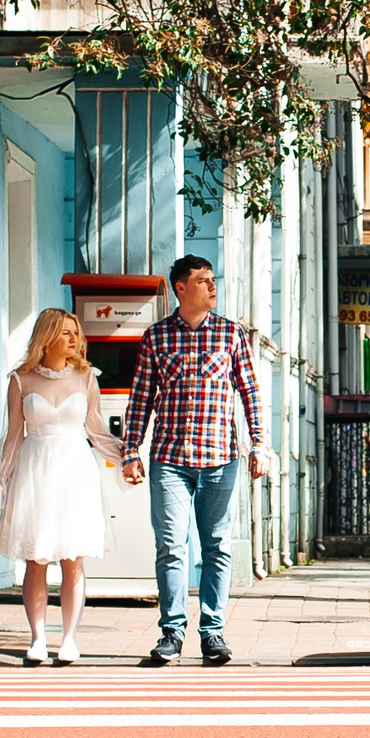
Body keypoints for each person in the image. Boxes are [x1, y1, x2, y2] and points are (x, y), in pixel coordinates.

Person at [120, 254, 267, 666]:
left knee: (217, 546)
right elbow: (141, 399)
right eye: (203, 281)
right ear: (181, 288)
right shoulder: (156, 338)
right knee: (171, 546)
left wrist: (259, 444)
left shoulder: (230, 333)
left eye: (213, 279)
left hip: (222, 458)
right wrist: (131, 450)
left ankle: (213, 633)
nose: (212, 286)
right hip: (170, 458)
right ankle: (171, 633)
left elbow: (250, 394)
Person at [0, 308, 119, 665]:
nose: (74, 339)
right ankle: (36, 639)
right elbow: (13, 437)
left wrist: (128, 459)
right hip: (36, 472)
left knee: (73, 559)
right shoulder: (20, 379)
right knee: (36, 559)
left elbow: (96, 429)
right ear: (47, 337)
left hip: (76, 473)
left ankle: (69, 639)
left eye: (76, 332)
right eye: (66, 332)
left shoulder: (86, 378)